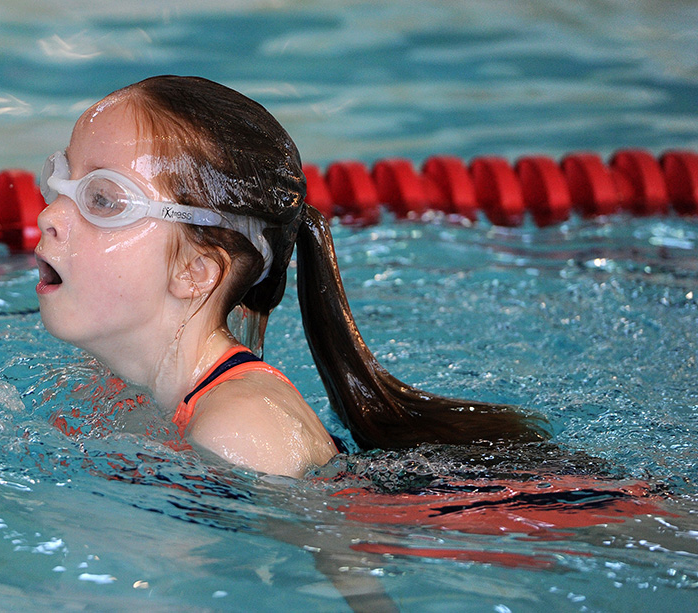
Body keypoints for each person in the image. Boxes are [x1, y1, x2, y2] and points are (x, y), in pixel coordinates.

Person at [34, 75, 547, 478]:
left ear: (195, 271)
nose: (49, 215)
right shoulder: (110, 386)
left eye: (103, 199)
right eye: (60, 179)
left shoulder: (240, 430)